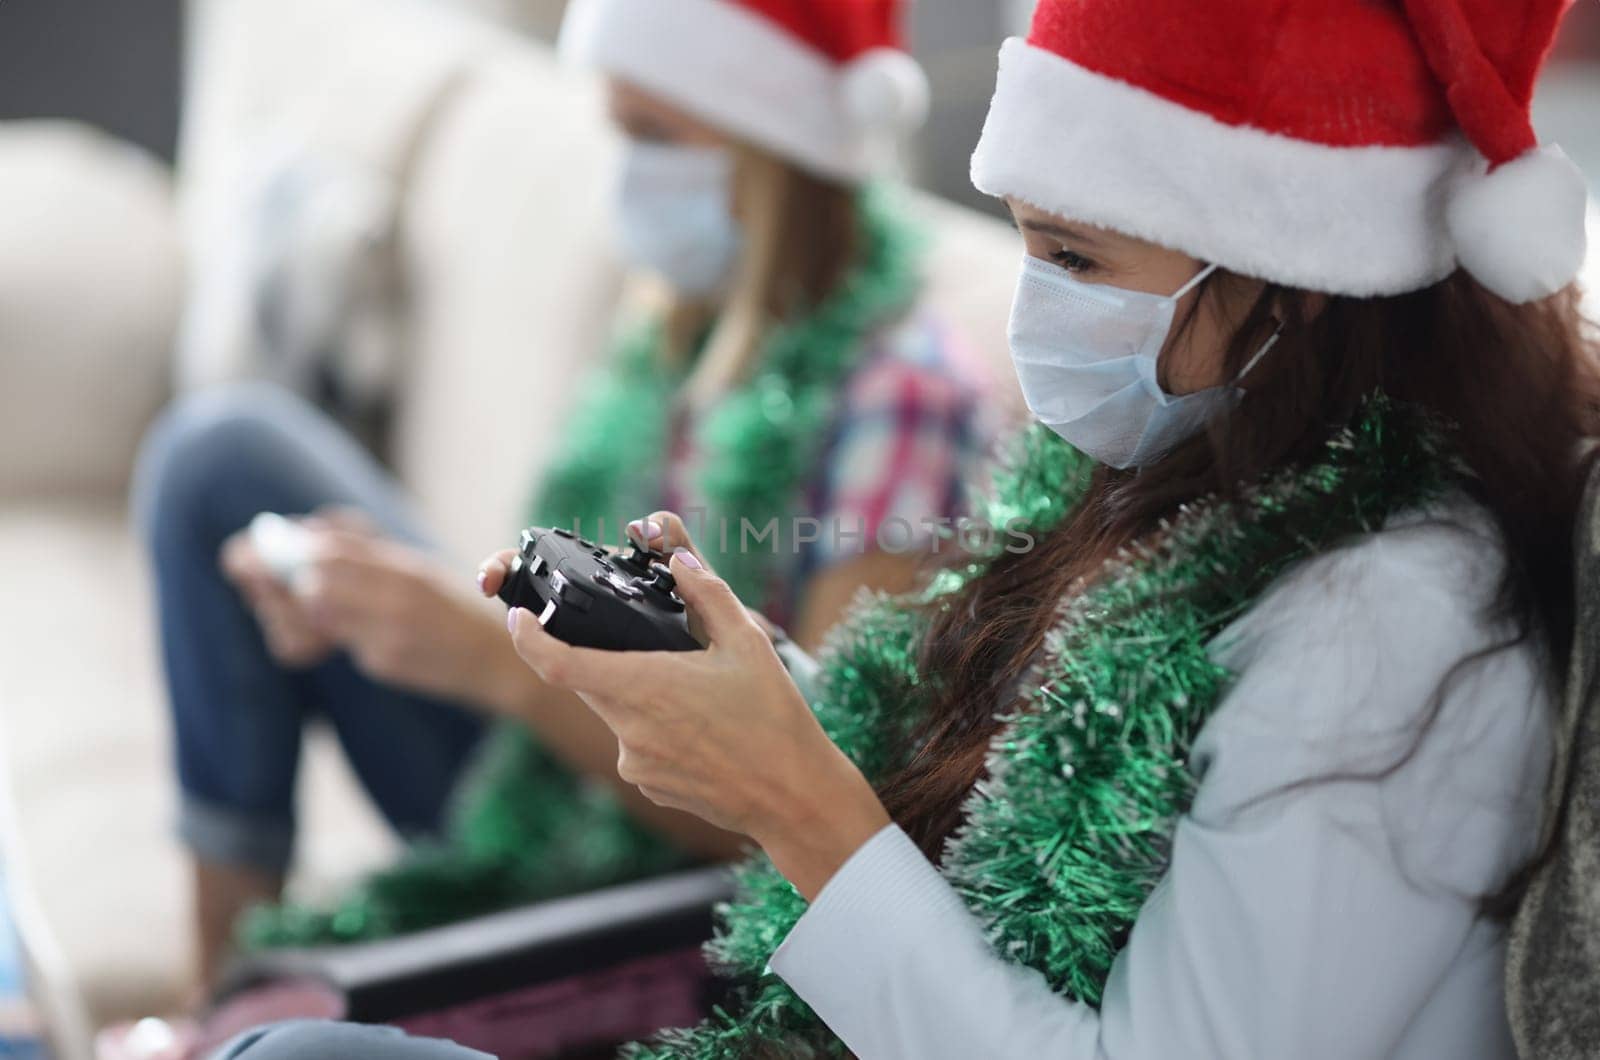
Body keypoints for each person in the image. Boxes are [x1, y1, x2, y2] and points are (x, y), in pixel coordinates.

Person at [225, 0, 1599, 1056]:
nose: (1031, 310)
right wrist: (767, 704)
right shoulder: (1186, 474)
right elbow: (985, 833)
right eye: (1023, 243)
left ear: (1294, 284)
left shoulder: (1391, 623)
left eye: (1074, 258)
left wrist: (790, 803)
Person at [128, 0, 986, 1013]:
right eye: (617, 127)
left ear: (774, 145)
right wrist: (399, 610)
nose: (623, 173)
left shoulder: (907, 399)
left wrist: (492, 660)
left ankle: (232, 1022)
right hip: (537, 785)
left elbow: (818, 805)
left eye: (654, 137)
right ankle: (211, 1002)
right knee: (220, 459)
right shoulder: (672, 322)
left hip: (669, 888)